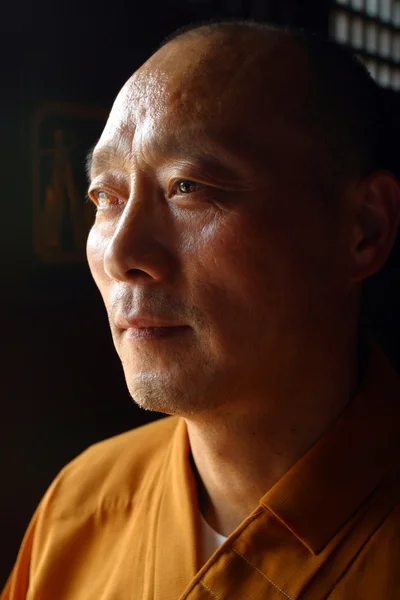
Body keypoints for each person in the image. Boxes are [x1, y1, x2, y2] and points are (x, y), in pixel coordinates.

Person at [2, 20, 400, 600]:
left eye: (189, 187)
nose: (121, 254)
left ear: (364, 228)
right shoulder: (81, 505)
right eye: (107, 197)